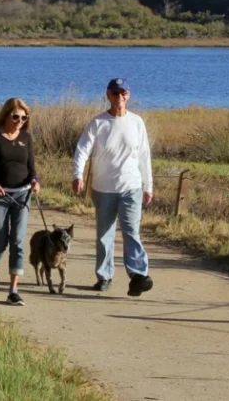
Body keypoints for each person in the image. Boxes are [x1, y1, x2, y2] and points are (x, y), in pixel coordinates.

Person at [71, 78, 154, 296]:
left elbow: (144, 156)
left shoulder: (137, 122)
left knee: (131, 231)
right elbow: (82, 150)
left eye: (123, 93)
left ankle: (138, 275)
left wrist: (148, 186)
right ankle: (104, 276)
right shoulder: (98, 123)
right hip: (104, 188)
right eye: (115, 93)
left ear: (129, 95)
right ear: (108, 95)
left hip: (131, 186)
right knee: (104, 234)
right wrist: (78, 175)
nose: (120, 97)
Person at [0, 97, 40, 306]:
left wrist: (35, 181)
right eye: (15, 117)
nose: (20, 121)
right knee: (1, 241)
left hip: (23, 195)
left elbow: (32, 168)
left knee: (18, 241)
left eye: (24, 117)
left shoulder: (26, 138)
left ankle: (13, 290)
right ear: (6, 115)